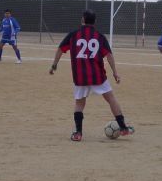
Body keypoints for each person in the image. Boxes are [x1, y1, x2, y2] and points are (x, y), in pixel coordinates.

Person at [49, 9, 135, 142]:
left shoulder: (73, 35)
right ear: (95, 22)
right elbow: (109, 55)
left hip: (80, 76)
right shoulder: (99, 36)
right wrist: (115, 72)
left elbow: (60, 49)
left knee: (79, 103)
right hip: (98, 75)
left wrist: (54, 65)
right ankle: (123, 128)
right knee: (111, 99)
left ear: (82, 20)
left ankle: (78, 133)